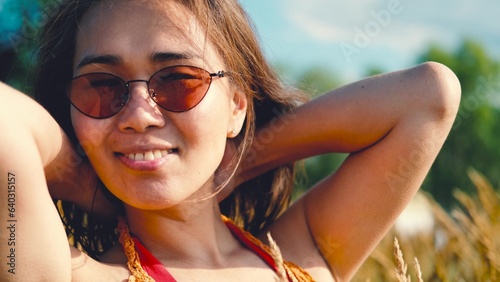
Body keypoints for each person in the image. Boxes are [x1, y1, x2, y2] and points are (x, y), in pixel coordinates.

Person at [0, 0, 461, 281]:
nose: (138, 115)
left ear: (237, 106)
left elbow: (429, 95)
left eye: (180, 80)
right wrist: (91, 185)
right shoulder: (76, 274)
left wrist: (239, 160)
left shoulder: (303, 257)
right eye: (101, 87)